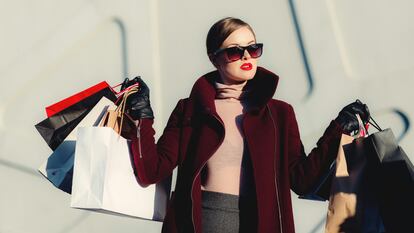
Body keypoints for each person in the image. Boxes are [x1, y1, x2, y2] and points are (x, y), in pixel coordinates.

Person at [122, 17, 370, 233]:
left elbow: (301, 180)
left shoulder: (279, 114)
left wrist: (339, 129)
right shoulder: (191, 109)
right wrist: (142, 116)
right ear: (214, 58)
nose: (245, 57)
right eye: (234, 51)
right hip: (201, 222)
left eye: (253, 49)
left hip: (261, 224)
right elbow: (151, 170)